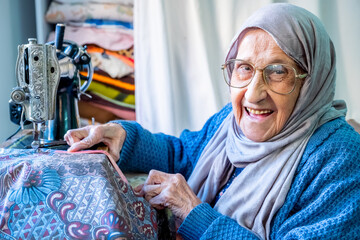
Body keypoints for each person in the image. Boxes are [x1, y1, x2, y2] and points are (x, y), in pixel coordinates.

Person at [64, 3, 360, 240]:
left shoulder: (341, 156)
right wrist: (124, 138)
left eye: (278, 72)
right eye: (244, 68)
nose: (253, 95)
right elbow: (181, 154)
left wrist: (194, 213)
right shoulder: (231, 121)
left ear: (312, 82)